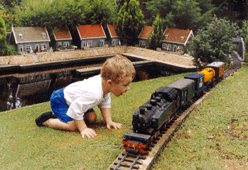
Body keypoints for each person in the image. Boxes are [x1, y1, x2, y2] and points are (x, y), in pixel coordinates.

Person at [35, 55, 136, 139]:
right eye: (125, 85)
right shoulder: (94, 94)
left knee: (92, 118)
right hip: (61, 100)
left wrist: (109, 121)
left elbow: (104, 102)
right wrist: (83, 128)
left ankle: (64, 117)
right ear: (110, 83)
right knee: (73, 126)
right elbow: (75, 108)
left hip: (76, 100)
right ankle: (46, 121)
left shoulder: (105, 85)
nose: (128, 88)